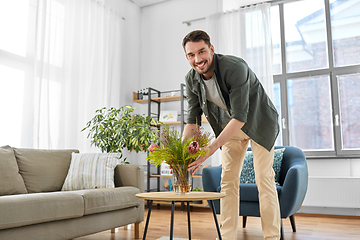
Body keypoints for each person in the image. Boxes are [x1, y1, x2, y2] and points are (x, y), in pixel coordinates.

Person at [181, 30, 281, 240]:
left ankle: (271, 237)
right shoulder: (191, 80)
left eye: (202, 52)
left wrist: (210, 150)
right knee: (228, 180)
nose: (198, 59)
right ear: (187, 57)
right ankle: (226, 237)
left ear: (212, 50)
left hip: (259, 123)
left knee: (264, 178)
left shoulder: (235, 67)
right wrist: (181, 155)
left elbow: (240, 117)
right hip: (231, 128)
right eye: (191, 55)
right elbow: (192, 121)